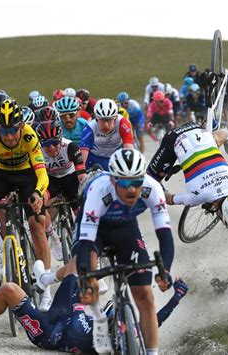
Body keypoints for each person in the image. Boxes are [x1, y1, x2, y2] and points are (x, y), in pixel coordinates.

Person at [73, 148, 175, 354]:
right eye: (125, 183)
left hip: (125, 228)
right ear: (113, 181)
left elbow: (165, 235)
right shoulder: (98, 192)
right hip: (96, 229)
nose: (132, 190)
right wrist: (85, 279)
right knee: (89, 274)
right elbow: (85, 242)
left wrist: (165, 271)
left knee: (145, 295)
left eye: (136, 182)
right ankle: (99, 319)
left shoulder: (152, 188)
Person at [0, 258, 189, 354]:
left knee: (9, 289)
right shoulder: (122, 329)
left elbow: (77, 326)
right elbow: (155, 320)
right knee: (78, 261)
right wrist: (177, 297)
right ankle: (45, 280)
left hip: (50, 333)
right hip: (68, 312)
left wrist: (80, 301)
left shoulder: (102, 344)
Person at [0, 99, 53, 311]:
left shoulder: (28, 135)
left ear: (21, 126)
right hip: (1, 176)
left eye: (13, 130)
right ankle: (2, 249)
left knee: (38, 224)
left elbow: (42, 173)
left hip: (27, 175)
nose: (8, 136)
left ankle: (47, 289)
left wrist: (37, 193)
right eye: (3, 131)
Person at [147, 120, 228, 230]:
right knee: (150, 183)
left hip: (199, 130)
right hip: (174, 137)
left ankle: (226, 134)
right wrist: (161, 189)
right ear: (222, 213)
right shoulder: (196, 199)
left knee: (211, 145)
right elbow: (168, 199)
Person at [35, 119, 86, 261]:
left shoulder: (70, 146)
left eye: (54, 143)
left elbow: (82, 176)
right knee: (39, 204)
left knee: (79, 208)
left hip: (70, 178)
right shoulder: (36, 151)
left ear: (60, 139)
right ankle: (55, 239)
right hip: (51, 180)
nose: (51, 148)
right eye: (46, 144)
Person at [80, 98, 134, 171]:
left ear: (115, 118)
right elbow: (82, 158)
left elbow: (128, 149)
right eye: (102, 120)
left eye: (109, 120)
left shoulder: (123, 123)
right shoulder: (90, 128)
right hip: (94, 160)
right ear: (96, 119)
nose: (106, 125)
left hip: (116, 158)